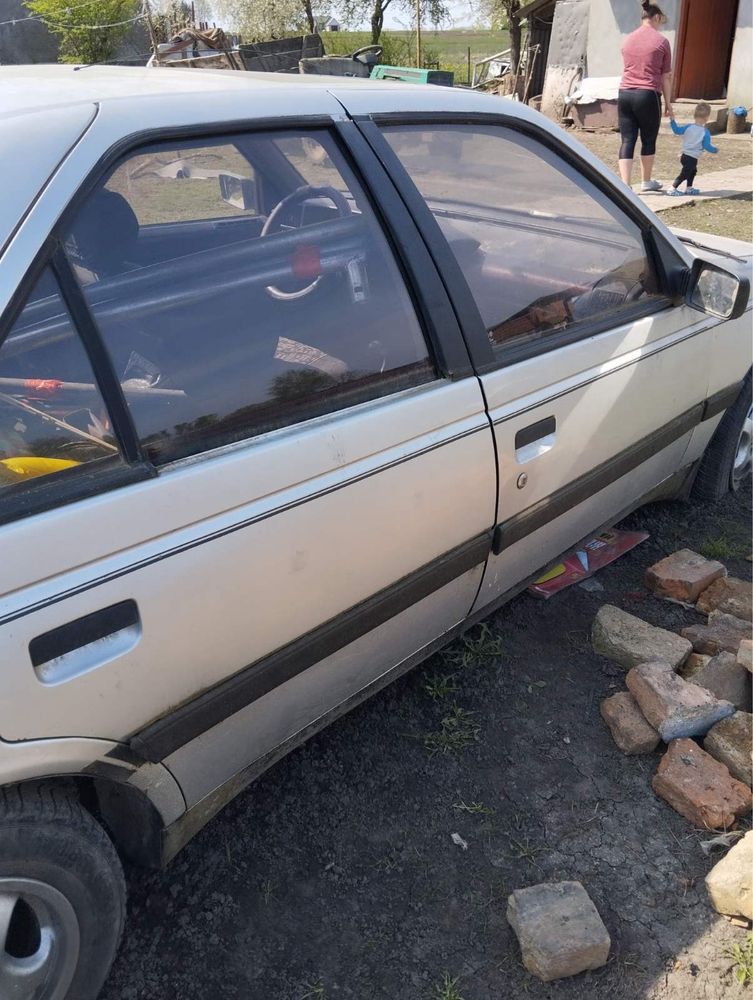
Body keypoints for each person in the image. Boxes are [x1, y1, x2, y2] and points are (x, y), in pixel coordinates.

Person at [618, 1, 674, 192]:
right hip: (647, 94)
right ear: (656, 17)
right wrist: (668, 103)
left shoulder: (627, 40)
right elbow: (666, 77)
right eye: (661, 22)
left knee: (627, 139)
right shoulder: (662, 42)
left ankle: (625, 184)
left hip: (624, 93)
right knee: (648, 139)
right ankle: (646, 181)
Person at [667, 102, 719, 195]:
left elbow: (676, 130)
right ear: (706, 118)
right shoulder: (705, 132)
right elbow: (707, 146)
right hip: (692, 157)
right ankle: (672, 188)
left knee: (692, 171)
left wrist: (672, 120)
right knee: (685, 173)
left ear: (695, 115)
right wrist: (714, 150)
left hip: (684, 155)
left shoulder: (688, 127)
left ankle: (689, 188)